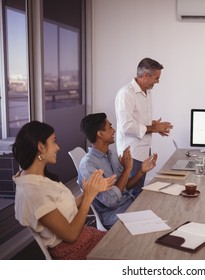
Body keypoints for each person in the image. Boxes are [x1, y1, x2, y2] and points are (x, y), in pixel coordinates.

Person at [12, 121, 114, 259]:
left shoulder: (39, 179)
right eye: (54, 142)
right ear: (41, 147)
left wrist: (91, 190)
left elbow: (66, 207)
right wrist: (88, 198)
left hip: (86, 237)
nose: (58, 147)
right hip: (75, 250)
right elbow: (71, 236)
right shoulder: (34, 192)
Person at [79, 113, 157, 229]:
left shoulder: (111, 154)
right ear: (100, 134)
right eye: (110, 127)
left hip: (130, 205)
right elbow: (111, 200)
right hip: (115, 216)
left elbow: (126, 186)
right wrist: (127, 169)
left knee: (162, 207)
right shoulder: (89, 165)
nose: (114, 130)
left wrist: (141, 170)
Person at [115, 58, 172, 196]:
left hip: (144, 149)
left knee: (138, 192)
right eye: (156, 78)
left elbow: (138, 120)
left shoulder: (148, 91)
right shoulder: (126, 94)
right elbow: (126, 126)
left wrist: (155, 125)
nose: (158, 81)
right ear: (145, 76)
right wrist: (153, 128)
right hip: (131, 153)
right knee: (129, 194)